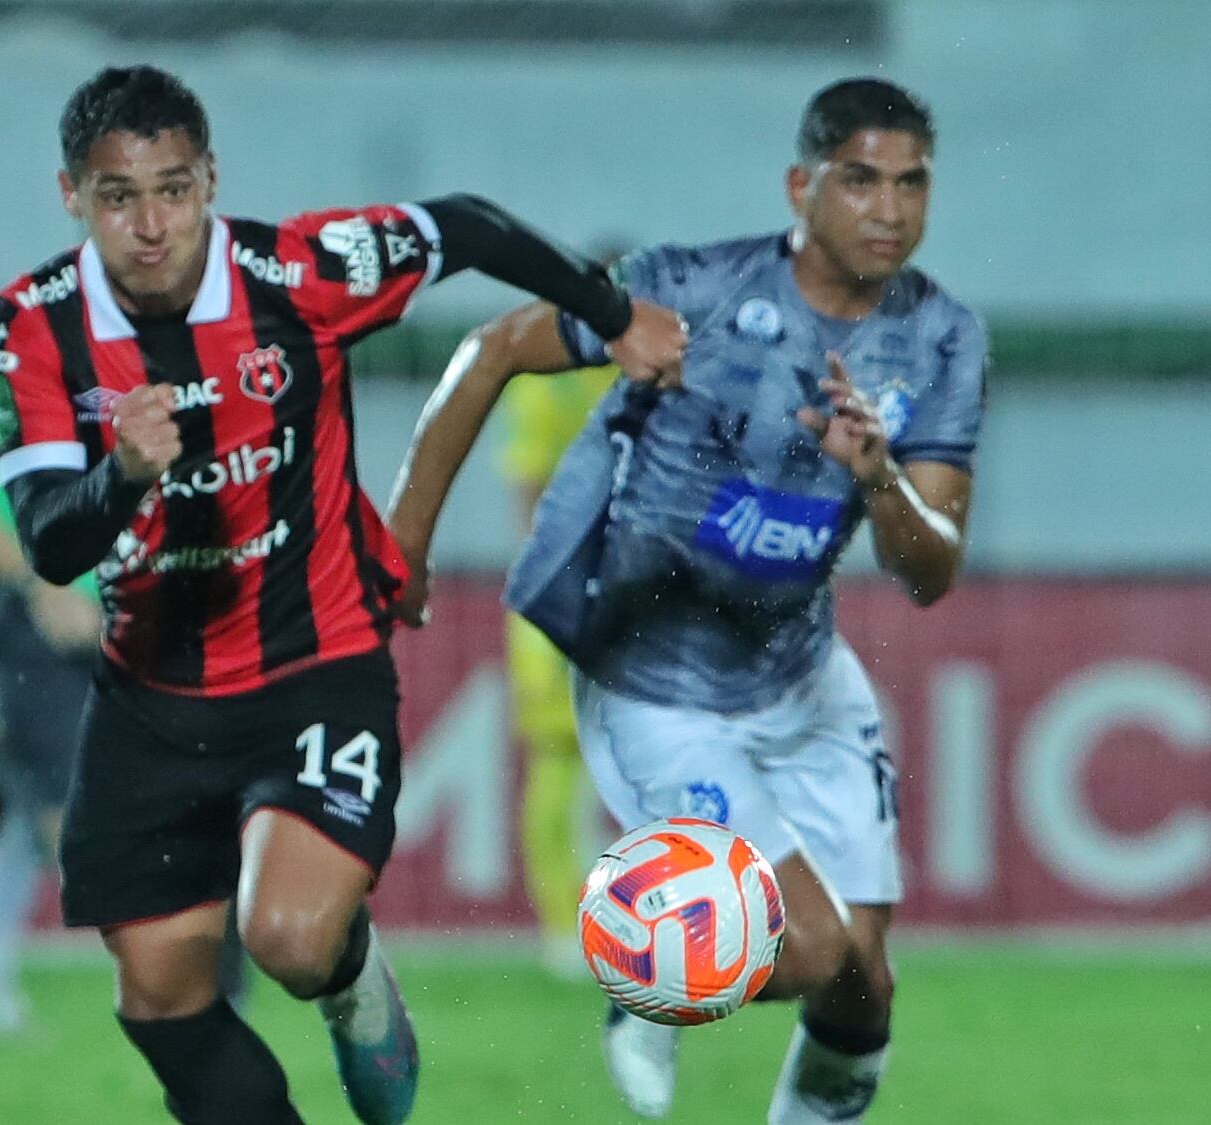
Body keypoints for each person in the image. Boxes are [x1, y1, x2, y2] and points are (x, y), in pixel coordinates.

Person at [0, 65, 685, 1125]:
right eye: (118, 197)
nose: (150, 225)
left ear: (210, 180)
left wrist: (611, 312)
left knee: (291, 940)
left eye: (173, 189)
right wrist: (120, 474)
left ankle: (352, 976)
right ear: (71, 196)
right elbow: (46, 540)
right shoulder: (32, 325)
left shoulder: (296, 270)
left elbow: (464, 226)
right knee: (162, 1001)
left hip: (315, 666)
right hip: (149, 696)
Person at [386, 77, 986, 1123]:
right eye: (858, 181)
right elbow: (491, 350)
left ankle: (693, 980)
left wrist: (879, 477)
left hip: (801, 679)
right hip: (652, 680)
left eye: (910, 183)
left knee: (863, 984)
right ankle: (648, 971)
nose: (888, 208)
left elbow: (929, 571)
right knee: (803, 947)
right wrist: (404, 543)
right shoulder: (691, 291)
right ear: (801, 186)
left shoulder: (940, 339)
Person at [0, 363, 251, 1029]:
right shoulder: (24, 359)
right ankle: (190, 1007)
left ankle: (217, 1011)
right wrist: (38, 580)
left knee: (206, 803)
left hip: (154, 622)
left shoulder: (199, 358)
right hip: (39, 631)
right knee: (87, 829)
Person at [498, 305, 619, 979]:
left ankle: (675, 916)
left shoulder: (655, 380)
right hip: (560, 593)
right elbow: (528, 493)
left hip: (639, 592)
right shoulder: (545, 383)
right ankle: (561, 928)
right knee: (557, 756)